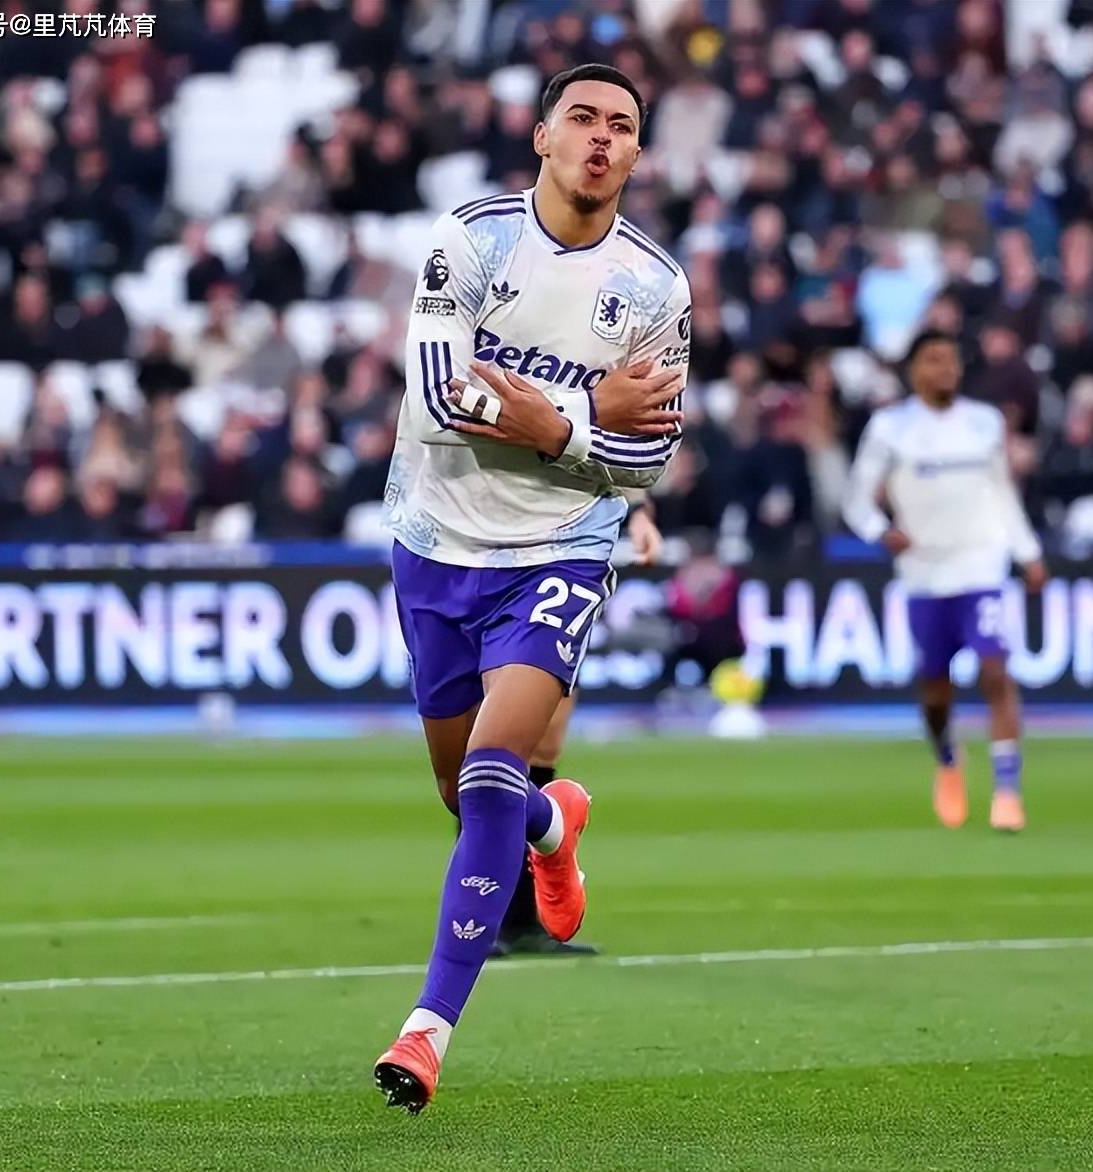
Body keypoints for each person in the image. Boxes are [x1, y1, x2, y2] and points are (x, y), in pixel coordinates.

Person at [374, 63, 689, 1113]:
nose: (601, 137)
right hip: (436, 539)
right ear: (542, 137)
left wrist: (554, 429)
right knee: (466, 794)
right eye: (582, 118)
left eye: (621, 126)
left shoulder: (656, 288)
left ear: (635, 153)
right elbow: (433, 399)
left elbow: (649, 461)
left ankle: (426, 1031)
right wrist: (585, 416)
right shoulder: (471, 241)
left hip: (561, 547)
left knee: (490, 767)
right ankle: (553, 826)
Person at [843, 331, 1047, 834]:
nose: (945, 370)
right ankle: (948, 758)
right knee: (936, 691)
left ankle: (1007, 792)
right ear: (914, 370)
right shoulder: (891, 428)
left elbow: (1002, 493)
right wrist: (880, 531)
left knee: (996, 671)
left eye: (951, 360)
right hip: (925, 573)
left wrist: (1028, 553)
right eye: (934, 360)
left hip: (981, 565)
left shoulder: (985, 422)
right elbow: (856, 499)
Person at [491, 496, 664, 958]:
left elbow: (608, 460)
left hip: (563, 559)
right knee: (497, 746)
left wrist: (638, 512)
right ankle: (486, 915)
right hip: (496, 554)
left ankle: (523, 919)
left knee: (544, 741)